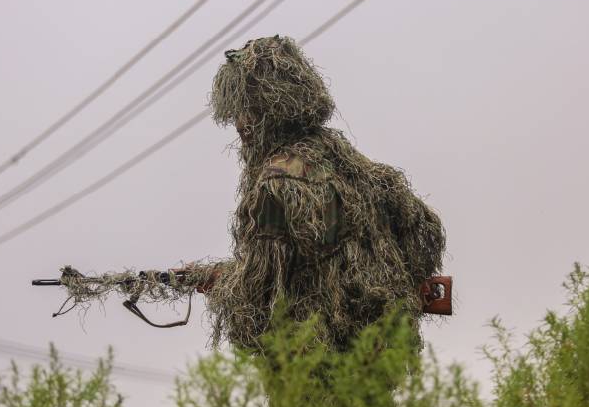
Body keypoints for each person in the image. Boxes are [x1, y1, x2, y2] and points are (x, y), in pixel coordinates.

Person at [184, 36, 445, 353]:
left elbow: (258, 299)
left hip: (314, 370)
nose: (240, 125)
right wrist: (393, 292)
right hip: (374, 362)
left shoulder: (275, 185)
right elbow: (426, 234)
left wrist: (221, 283)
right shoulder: (351, 163)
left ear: (270, 108)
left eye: (246, 110)